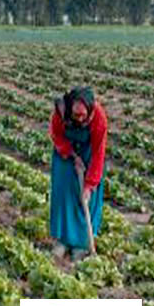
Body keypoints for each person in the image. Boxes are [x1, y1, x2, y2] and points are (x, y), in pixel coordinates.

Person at [49, 86, 107, 260]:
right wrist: (73, 156)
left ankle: (82, 244)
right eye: (76, 115)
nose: (80, 118)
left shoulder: (99, 117)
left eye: (83, 115)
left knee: (85, 199)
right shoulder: (61, 111)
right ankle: (63, 240)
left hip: (89, 151)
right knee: (64, 191)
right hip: (65, 150)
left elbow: (99, 153)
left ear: (90, 111)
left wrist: (89, 185)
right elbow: (56, 135)